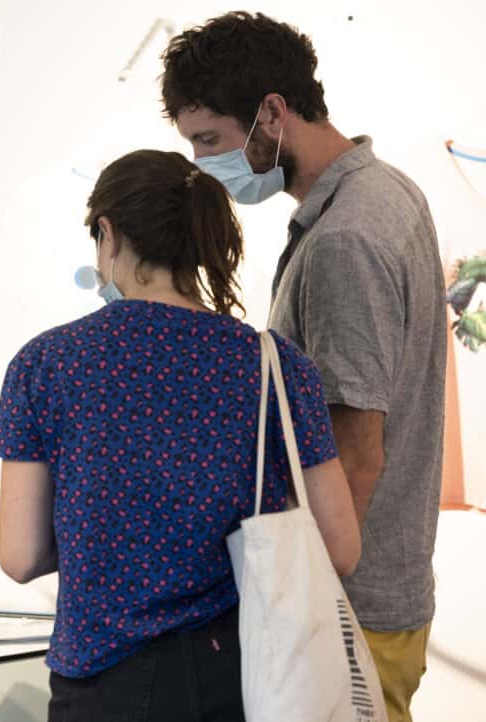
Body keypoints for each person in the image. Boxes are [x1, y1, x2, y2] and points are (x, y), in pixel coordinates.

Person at [0, 149, 360, 721]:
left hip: (102, 677)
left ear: (107, 232)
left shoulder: (45, 364)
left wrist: (108, 534)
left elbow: (20, 556)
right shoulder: (272, 364)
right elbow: (340, 547)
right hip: (244, 676)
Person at [160, 13, 446, 721]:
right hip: (379, 595)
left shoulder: (346, 239)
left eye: (209, 140)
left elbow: (354, 454)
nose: (203, 165)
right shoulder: (383, 193)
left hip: (349, 612)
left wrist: (293, 604)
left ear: (272, 114)